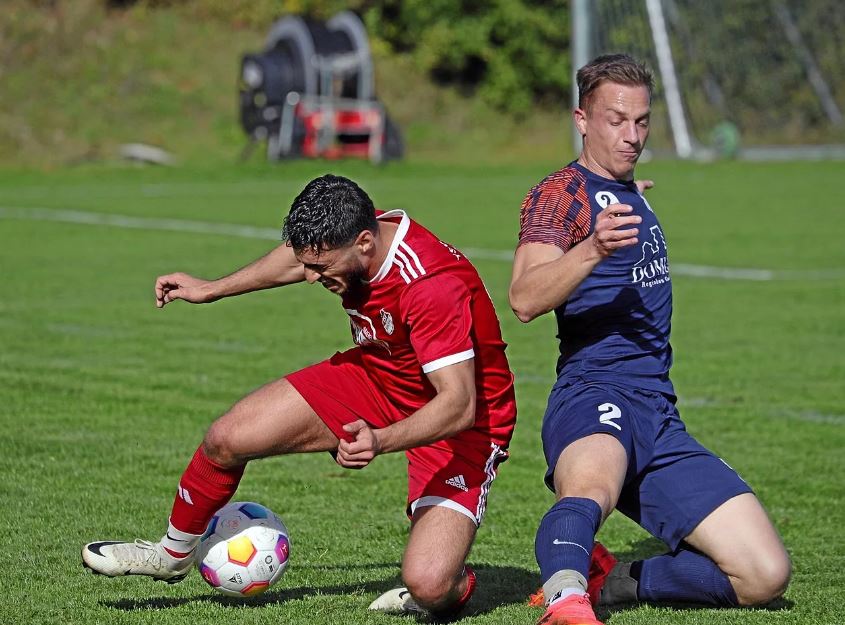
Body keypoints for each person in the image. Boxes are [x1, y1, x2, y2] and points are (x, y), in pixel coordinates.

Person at [81, 174, 518, 617]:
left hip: (461, 422)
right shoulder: (351, 235)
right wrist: (210, 289)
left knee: (429, 583)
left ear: (364, 243)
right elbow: (296, 261)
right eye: (308, 263)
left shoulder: (429, 285)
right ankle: (172, 554)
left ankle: (452, 585)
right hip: (378, 377)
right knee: (227, 437)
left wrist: (380, 440)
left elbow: (459, 405)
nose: (309, 278)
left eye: (321, 268)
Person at [508, 54, 791, 625]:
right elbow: (523, 299)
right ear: (582, 118)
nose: (632, 136)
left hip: (659, 412)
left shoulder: (626, 186)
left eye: (642, 121)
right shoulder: (558, 196)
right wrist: (591, 248)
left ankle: (614, 580)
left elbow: (617, 188)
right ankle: (565, 602)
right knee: (590, 490)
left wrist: (629, 191)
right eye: (616, 120)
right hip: (593, 392)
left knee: (764, 574)